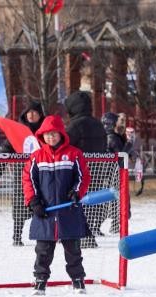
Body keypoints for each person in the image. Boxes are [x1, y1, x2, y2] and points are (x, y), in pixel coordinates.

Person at [23, 115, 91, 295]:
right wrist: (34, 201)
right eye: (47, 135)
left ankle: (78, 281)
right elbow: (29, 181)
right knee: (43, 251)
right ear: (41, 136)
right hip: (45, 213)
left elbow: (83, 177)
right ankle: (40, 281)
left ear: (61, 134)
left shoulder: (74, 154)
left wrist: (76, 192)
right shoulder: (36, 157)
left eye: (54, 134)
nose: (50, 138)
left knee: (73, 250)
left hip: (68, 210)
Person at [0, 100, 46, 246]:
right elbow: (6, 150)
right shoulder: (18, 131)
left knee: (44, 204)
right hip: (22, 176)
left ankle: (45, 234)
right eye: (29, 112)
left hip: (43, 175)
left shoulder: (46, 131)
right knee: (20, 205)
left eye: (35, 112)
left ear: (40, 115)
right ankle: (17, 236)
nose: (31, 115)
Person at [65, 91, 106, 248]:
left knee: (76, 203)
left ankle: (82, 235)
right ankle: (88, 234)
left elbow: (66, 146)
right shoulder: (98, 124)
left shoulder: (74, 126)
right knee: (90, 204)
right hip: (96, 171)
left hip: (78, 172)